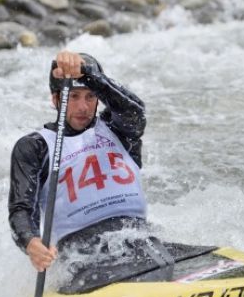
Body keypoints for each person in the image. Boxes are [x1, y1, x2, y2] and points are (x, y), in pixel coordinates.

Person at [8, 50, 150, 275]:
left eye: (90, 96)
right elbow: (22, 210)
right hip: (80, 255)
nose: (83, 107)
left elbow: (135, 111)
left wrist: (89, 75)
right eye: (73, 97)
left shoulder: (118, 129)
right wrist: (31, 242)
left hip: (139, 238)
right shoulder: (35, 147)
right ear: (56, 100)